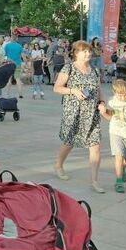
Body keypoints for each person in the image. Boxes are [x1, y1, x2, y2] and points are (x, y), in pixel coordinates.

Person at [53, 41, 106, 192]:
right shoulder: (68, 67)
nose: (88, 54)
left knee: (95, 146)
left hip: (92, 113)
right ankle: (58, 164)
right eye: (84, 51)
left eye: (89, 51)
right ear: (76, 53)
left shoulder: (94, 70)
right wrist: (73, 91)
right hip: (74, 112)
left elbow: (99, 89)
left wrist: (102, 103)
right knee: (69, 142)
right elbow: (57, 88)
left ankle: (95, 181)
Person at [105, 78, 126, 193]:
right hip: (115, 132)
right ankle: (118, 181)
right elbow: (109, 117)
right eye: (120, 95)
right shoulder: (111, 102)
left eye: (125, 94)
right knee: (118, 156)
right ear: (115, 93)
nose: (122, 97)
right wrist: (103, 112)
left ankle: (123, 168)